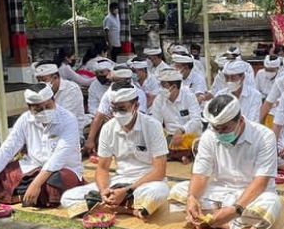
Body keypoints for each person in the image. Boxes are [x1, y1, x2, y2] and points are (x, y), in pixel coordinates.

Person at [170, 94, 282, 229]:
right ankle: (232, 225)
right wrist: (192, 198)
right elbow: (200, 175)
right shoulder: (209, 135)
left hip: (250, 195)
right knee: (179, 191)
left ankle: (212, 220)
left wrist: (235, 209)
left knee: (271, 202)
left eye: (225, 128)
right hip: (218, 190)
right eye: (216, 128)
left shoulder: (265, 136)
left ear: (240, 121)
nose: (219, 133)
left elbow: (260, 182)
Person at [63, 84, 169, 219]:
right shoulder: (108, 128)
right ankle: (125, 208)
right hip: (119, 181)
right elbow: (102, 168)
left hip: (146, 183)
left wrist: (127, 191)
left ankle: (111, 206)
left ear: (136, 106)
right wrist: (103, 192)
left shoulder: (152, 126)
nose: (118, 114)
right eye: (114, 109)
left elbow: (159, 172)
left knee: (159, 192)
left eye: (122, 109)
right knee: (67, 198)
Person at [0, 83, 84, 207]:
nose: (44, 112)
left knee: (54, 183)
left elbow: (58, 158)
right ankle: (26, 195)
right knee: (0, 173)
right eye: (38, 109)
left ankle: (17, 196)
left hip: (63, 169)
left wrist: (36, 184)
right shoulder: (25, 119)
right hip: (32, 167)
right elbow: (8, 148)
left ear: (54, 101)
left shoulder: (69, 120)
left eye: (48, 106)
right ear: (29, 108)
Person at [86, 68, 148, 154]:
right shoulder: (110, 92)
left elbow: (137, 120)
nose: (113, 83)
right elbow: (99, 116)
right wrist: (90, 139)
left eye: (116, 81)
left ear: (126, 80)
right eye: (113, 81)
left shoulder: (138, 93)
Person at [151, 66, 202, 161]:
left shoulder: (189, 96)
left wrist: (181, 130)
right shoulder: (159, 99)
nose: (161, 89)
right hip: (170, 139)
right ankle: (182, 157)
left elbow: (197, 120)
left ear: (174, 87)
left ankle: (184, 156)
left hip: (190, 136)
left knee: (197, 145)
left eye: (163, 85)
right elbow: (155, 123)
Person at [35, 61, 89, 131]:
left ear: (55, 77)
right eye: (38, 81)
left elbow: (63, 119)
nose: (40, 84)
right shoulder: (41, 92)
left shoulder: (72, 89)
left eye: (44, 80)